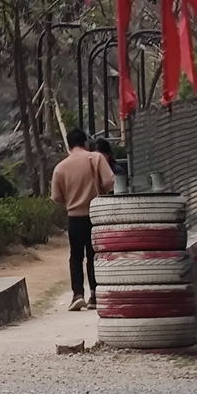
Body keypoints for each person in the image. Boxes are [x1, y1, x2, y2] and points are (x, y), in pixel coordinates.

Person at [49, 128, 110, 311]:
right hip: (95, 215)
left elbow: (55, 196)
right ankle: (95, 294)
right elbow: (109, 181)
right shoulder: (96, 158)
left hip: (74, 217)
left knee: (76, 256)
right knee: (94, 255)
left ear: (69, 145)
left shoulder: (60, 168)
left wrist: (70, 202)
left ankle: (77, 294)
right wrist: (100, 192)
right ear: (85, 143)